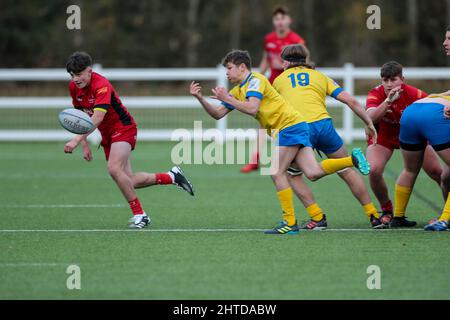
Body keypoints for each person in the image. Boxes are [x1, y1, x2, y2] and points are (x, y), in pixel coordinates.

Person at [190, 50, 371, 235]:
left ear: (242, 67)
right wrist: (201, 99)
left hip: (289, 126)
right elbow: (218, 114)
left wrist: (227, 99)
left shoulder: (256, 80)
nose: (227, 73)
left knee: (276, 172)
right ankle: (352, 160)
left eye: (229, 68)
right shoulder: (237, 90)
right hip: (295, 126)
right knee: (313, 172)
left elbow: (253, 108)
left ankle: (290, 222)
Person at [63, 52, 194, 229]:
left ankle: (140, 215)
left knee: (113, 169)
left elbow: (98, 117)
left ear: (89, 71)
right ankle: (171, 176)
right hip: (107, 134)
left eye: (79, 74)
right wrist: (85, 143)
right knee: (129, 181)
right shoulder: (74, 88)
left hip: (123, 128)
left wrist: (76, 140)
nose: (75, 79)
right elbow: (81, 119)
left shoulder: (101, 85)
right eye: (72, 75)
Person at [272, 44, 383, 229]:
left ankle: (317, 217)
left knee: (290, 174)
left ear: (287, 62)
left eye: (282, 60)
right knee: (346, 172)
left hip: (299, 128)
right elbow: (351, 100)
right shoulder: (321, 76)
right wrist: (368, 122)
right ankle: (373, 215)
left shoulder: (279, 80)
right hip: (324, 126)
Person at [365, 61, 442, 228]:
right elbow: (370, 118)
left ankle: (446, 214)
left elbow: (435, 111)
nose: (389, 84)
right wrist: (387, 102)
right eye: (385, 80)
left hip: (413, 135)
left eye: (393, 79)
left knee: (437, 171)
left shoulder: (416, 94)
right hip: (384, 136)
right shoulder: (376, 94)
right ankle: (387, 210)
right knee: (374, 170)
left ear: (402, 79)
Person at [241, 5, 306, 173]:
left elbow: (306, 63)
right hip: (271, 86)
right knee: (263, 120)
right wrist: (253, 79)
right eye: (277, 19)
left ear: (289, 20)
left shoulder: (296, 40)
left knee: (291, 120)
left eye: (283, 18)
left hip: (289, 86)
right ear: (273, 21)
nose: (280, 22)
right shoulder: (268, 38)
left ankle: (296, 156)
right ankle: (255, 159)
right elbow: (265, 61)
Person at [395, 95, 450, 231]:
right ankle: (444, 219)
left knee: (410, 169)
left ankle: (398, 217)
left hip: (410, 113)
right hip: (436, 114)